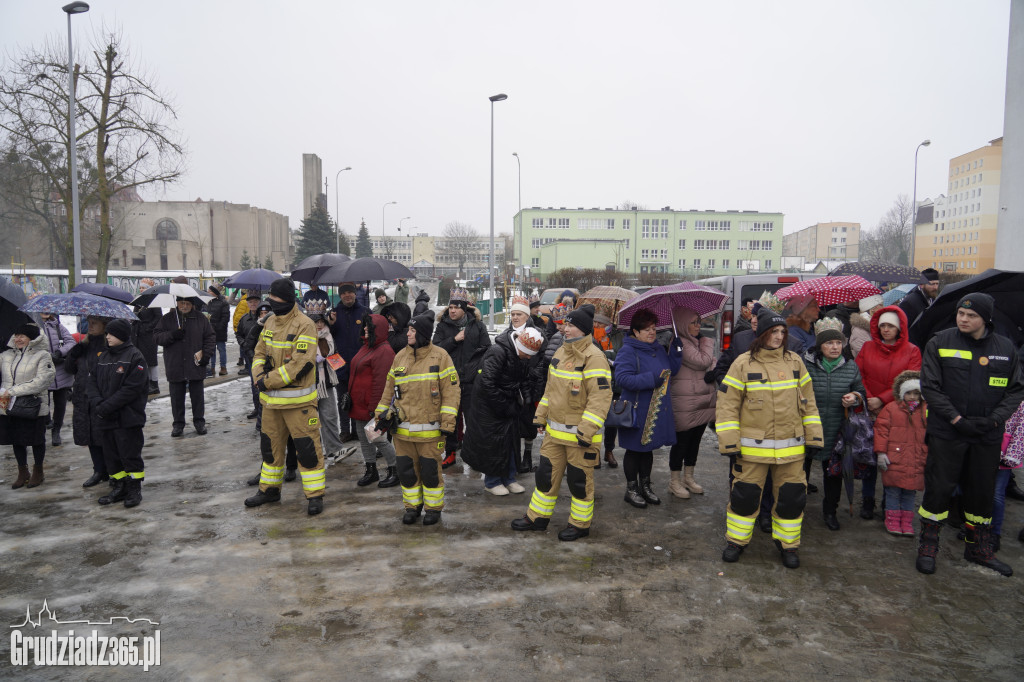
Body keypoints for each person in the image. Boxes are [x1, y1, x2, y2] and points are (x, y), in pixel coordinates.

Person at [916, 293, 1024, 576]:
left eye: (971, 315)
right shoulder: (940, 342)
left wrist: (995, 420)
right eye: (960, 314)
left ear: (985, 318)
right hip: (947, 431)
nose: (964, 319)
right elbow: (930, 386)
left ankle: (978, 548)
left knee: (981, 493)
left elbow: (1015, 389)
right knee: (939, 489)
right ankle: (928, 545)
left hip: (987, 434)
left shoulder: (1005, 348)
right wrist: (956, 418)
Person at [717, 306, 824, 569]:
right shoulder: (743, 363)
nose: (778, 337)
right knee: (744, 497)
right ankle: (736, 542)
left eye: (782, 332)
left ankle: (788, 546)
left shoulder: (795, 362)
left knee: (791, 499)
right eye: (773, 331)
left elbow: (808, 402)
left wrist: (814, 438)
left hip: (791, 449)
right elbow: (727, 405)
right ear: (761, 333)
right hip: (752, 450)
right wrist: (730, 443)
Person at [511, 305, 612, 541]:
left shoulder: (595, 358)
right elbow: (549, 391)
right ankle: (537, 517)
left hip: (580, 438)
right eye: (565, 324)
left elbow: (600, 399)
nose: (565, 329)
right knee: (545, 477)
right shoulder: (560, 353)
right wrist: (541, 416)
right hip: (554, 434)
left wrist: (586, 430)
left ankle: (579, 524)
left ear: (583, 330)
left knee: (579, 483)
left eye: (570, 325)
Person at [244, 278, 327, 516]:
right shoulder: (270, 321)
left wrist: (266, 381)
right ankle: (269, 490)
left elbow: (301, 365)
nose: (272, 303)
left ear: (289, 300)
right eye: (271, 299)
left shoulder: (305, 324)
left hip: (299, 404)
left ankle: (315, 495)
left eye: (277, 300)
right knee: (270, 450)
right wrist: (258, 374)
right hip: (271, 404)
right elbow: (259, 352)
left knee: (308, 451)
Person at [376, 312, 460, 526]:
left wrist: (448, 423)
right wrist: (381, 415)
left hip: (431, 433)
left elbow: (451, 392)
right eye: (409, 330)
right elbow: (388, 390)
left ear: (422, 333)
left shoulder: (441, 357)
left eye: (412, 330)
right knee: (406, 472)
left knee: (431, 472)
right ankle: (412, 507)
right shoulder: (400, 357)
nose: (408, 334)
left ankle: (433, 509)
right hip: (402, 433)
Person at [855, 305, 921, 520]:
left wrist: (882, 399)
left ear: (899, 328)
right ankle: (867, 499)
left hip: (898, 412)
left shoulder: (912, 351)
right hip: (869, 408)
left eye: (890, 325)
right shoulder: (867, 347)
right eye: (882, 325)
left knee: (893, 457)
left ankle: (888, 501)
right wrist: (869, 398)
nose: (885, 329)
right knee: (869, 456)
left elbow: (909, 381)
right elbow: (859, 374)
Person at [463, 326, 546, 496]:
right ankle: (492, 482)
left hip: (508, 405)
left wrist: (527, 399)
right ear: (521, 347)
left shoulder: (521, 357)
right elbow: (487, 383)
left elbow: (523, 379)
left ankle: (509, 479)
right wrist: (505, 406)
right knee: (494, 444)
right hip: (489, 407)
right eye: (528, 353)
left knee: (511, 442)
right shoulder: (498, 351)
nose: (529, 357)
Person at [613, 309, 680, 508]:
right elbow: (622, 379)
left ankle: (645, 486)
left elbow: (671, 371)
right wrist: (651, 379)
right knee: (634, 450)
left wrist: (677, 350)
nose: (652, 332)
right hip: (636, 410)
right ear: (635, 331)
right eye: (647, 329)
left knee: (648, 449)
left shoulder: (658, 348)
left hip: (655, 410)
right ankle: (631, 489)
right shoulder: (628, 350)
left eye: (653, 328)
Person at [803, 317, 865, 531]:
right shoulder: (805, 365)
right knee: (800, 473)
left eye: (838, 343)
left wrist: (855, 397)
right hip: (807, 429)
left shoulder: (850, 367)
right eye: (829, 343)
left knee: (833, 475)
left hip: (837, 431)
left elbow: (861, 392)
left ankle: (830, 511)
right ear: (820, 345)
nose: (835, 347)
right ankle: (794, 510)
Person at [85, 319, 149, 508]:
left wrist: (106, 406)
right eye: (107, 334)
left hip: (127, 418)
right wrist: (97, 403)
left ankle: (134, 489)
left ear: (121, 335)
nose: (107, 337)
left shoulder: (135, 357)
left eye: (111, 334)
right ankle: (120, 486)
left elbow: (131, 389)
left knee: (129, 455)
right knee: (111, 456)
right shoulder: (103, 356)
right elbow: (92, 382)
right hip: (106, 417)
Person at [432, 287, 491, 468]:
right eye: (450, 307)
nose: (453, 310)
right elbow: (437, 350)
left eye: (457, 307)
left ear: (464, 308)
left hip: (471, 382)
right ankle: (450, 454)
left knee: (473, 421)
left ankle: (474, 455)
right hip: (450, 382)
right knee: (450, 420)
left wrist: (477, 370)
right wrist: (454, 340)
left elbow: (487, 350)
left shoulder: (478, 326)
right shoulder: (443, 326)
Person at [668, 308, 717, 500]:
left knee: (695, 442)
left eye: (699, 322)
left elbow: (713, 364)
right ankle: (674, 481)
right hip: (685, 401)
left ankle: (688, 477)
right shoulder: (680, 343)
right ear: (682, 324)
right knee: (682, 443)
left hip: (702, 400)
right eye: (694, 322)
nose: (698, 325)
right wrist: (706, 341)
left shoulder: (694, 342)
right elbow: (704, 361)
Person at [0, 324, 55, 489]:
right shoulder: (6, 355)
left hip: (33, 406)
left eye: (22, 336)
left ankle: (38, 471)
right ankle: (22, 472)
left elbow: (43, 380)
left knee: (36, 439)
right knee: (16, 439)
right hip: (9, 405)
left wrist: (13, 391)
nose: (18, 339)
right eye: (16, 335)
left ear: (32, 338)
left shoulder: (42, 355)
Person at [874, 371, 927, 536]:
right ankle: (892, 520)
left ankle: (906, 522)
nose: (912, 397)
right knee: (893, 491)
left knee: (910, 493)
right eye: (908, 393)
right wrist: (881, 452)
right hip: (894, 459)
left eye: (916, 393)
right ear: (901, 393)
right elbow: (881, 431)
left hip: (917, 460)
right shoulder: (891, 409)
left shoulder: (926, 412)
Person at [154, 295, 216, 437]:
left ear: (192, 305)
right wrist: (172, 335)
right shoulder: (168, 319)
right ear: (177, 303)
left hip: (195, 363)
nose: (184, 306)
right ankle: (178, 424)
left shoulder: (200, 318)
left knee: (197, 397)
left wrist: (206, 355)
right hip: (175, 364)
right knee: (176, 397)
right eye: (181, 303)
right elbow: (157, 337)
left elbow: (210, 337)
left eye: (187, 303)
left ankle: (199, 422)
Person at [349, 313, 399, 488]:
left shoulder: (384, 351)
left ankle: (395, 469)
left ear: (377, 329)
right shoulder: (367, 346)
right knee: (364, 439)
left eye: (368, 326)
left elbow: (382, 382)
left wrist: (376, 408)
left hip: (372, 406)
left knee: (378, 439)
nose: (364, 328)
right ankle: (371, 470)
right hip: (359, 404)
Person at [65, 316, 111, 487]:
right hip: (82, 398)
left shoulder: (108, 345)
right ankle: (98, 470)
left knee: (104, 436)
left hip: (100, 398)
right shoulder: (84, 346)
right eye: (88, 323)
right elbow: (69, 369)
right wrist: (75, 351)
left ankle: (111, 471)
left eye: (94, 323)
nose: (89, 326)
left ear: (104, 325)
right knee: (89, 435)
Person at [327, 282, 370, 444]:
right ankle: (345, 431)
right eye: (344, 293)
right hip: (338, 362)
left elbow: (372, 336)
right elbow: (325, 338)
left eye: (350, 292)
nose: (347, 295)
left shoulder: (365, 312)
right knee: (342, 398)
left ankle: (357, 430)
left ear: (355, 294)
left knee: (358, 398)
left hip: (360, 363)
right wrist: (330, 324)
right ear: (340, 295)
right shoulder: (333, 313)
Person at [306, 302, 344, 463]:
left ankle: (334, 449)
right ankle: (314, 451)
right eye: (316, 322)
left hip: (327, 383)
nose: (320, 325)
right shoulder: (305, 337)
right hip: (309, 384)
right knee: (310, 421)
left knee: (330, 417)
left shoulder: (329, 336)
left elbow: (334, 355)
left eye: (322, 322)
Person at [39, 312, 75, 446]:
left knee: (60, 404)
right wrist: (47, 356)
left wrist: (60, 352)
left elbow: (71, 342)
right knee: (44, 402)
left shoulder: (58, 326)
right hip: (43, 371)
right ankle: (45, 424)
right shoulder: (34, 326)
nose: (45, 311)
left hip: (61, 371)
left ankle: (56, 431)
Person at [994, 399, 1024, 552]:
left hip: (1005, 455)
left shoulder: (1020, 402)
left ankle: (994, 532)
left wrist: (1012, 455)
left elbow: (1021, 431)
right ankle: (974, 527)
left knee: (997, 494)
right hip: (984, 448)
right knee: (976, 490)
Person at [134, 281, 162, 393]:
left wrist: (147, 327)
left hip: (149, 335)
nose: (141, 289)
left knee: (151, 361)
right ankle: (146, 383)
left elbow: (158, 317)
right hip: (138, 335)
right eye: (140, 288)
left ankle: (154, 384)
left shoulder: (153, 301)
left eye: (143, 288)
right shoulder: (139, 301)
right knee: (142, 360)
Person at [236, 292, 263, 393]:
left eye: (255, 302)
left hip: (263, 354)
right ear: (247, 304)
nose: (253, 304)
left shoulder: (264, 318)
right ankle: (257, 407)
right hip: (250, 354)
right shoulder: (244, 319)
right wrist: (243, 344)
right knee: (254, 380)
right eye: (250, 302)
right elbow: (238, 334)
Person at [206, 285, 230, 377]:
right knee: (211, 350)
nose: (208, 292)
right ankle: (212, 368)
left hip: (220, 331)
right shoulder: (207, 302)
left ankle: (223, 367)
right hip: (209, 330)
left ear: (214, 293)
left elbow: (225, 317)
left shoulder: (223, 302)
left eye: (209, 291)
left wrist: (218, 327)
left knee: (221, 349)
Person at [231, 289, 251, 368]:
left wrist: (236, 328)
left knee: (244, 347)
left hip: (243, 328)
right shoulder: (247, 301)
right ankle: (246, 364)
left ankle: (246, 366)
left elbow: (238, 317)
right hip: (247, 327)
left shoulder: (243, 302)